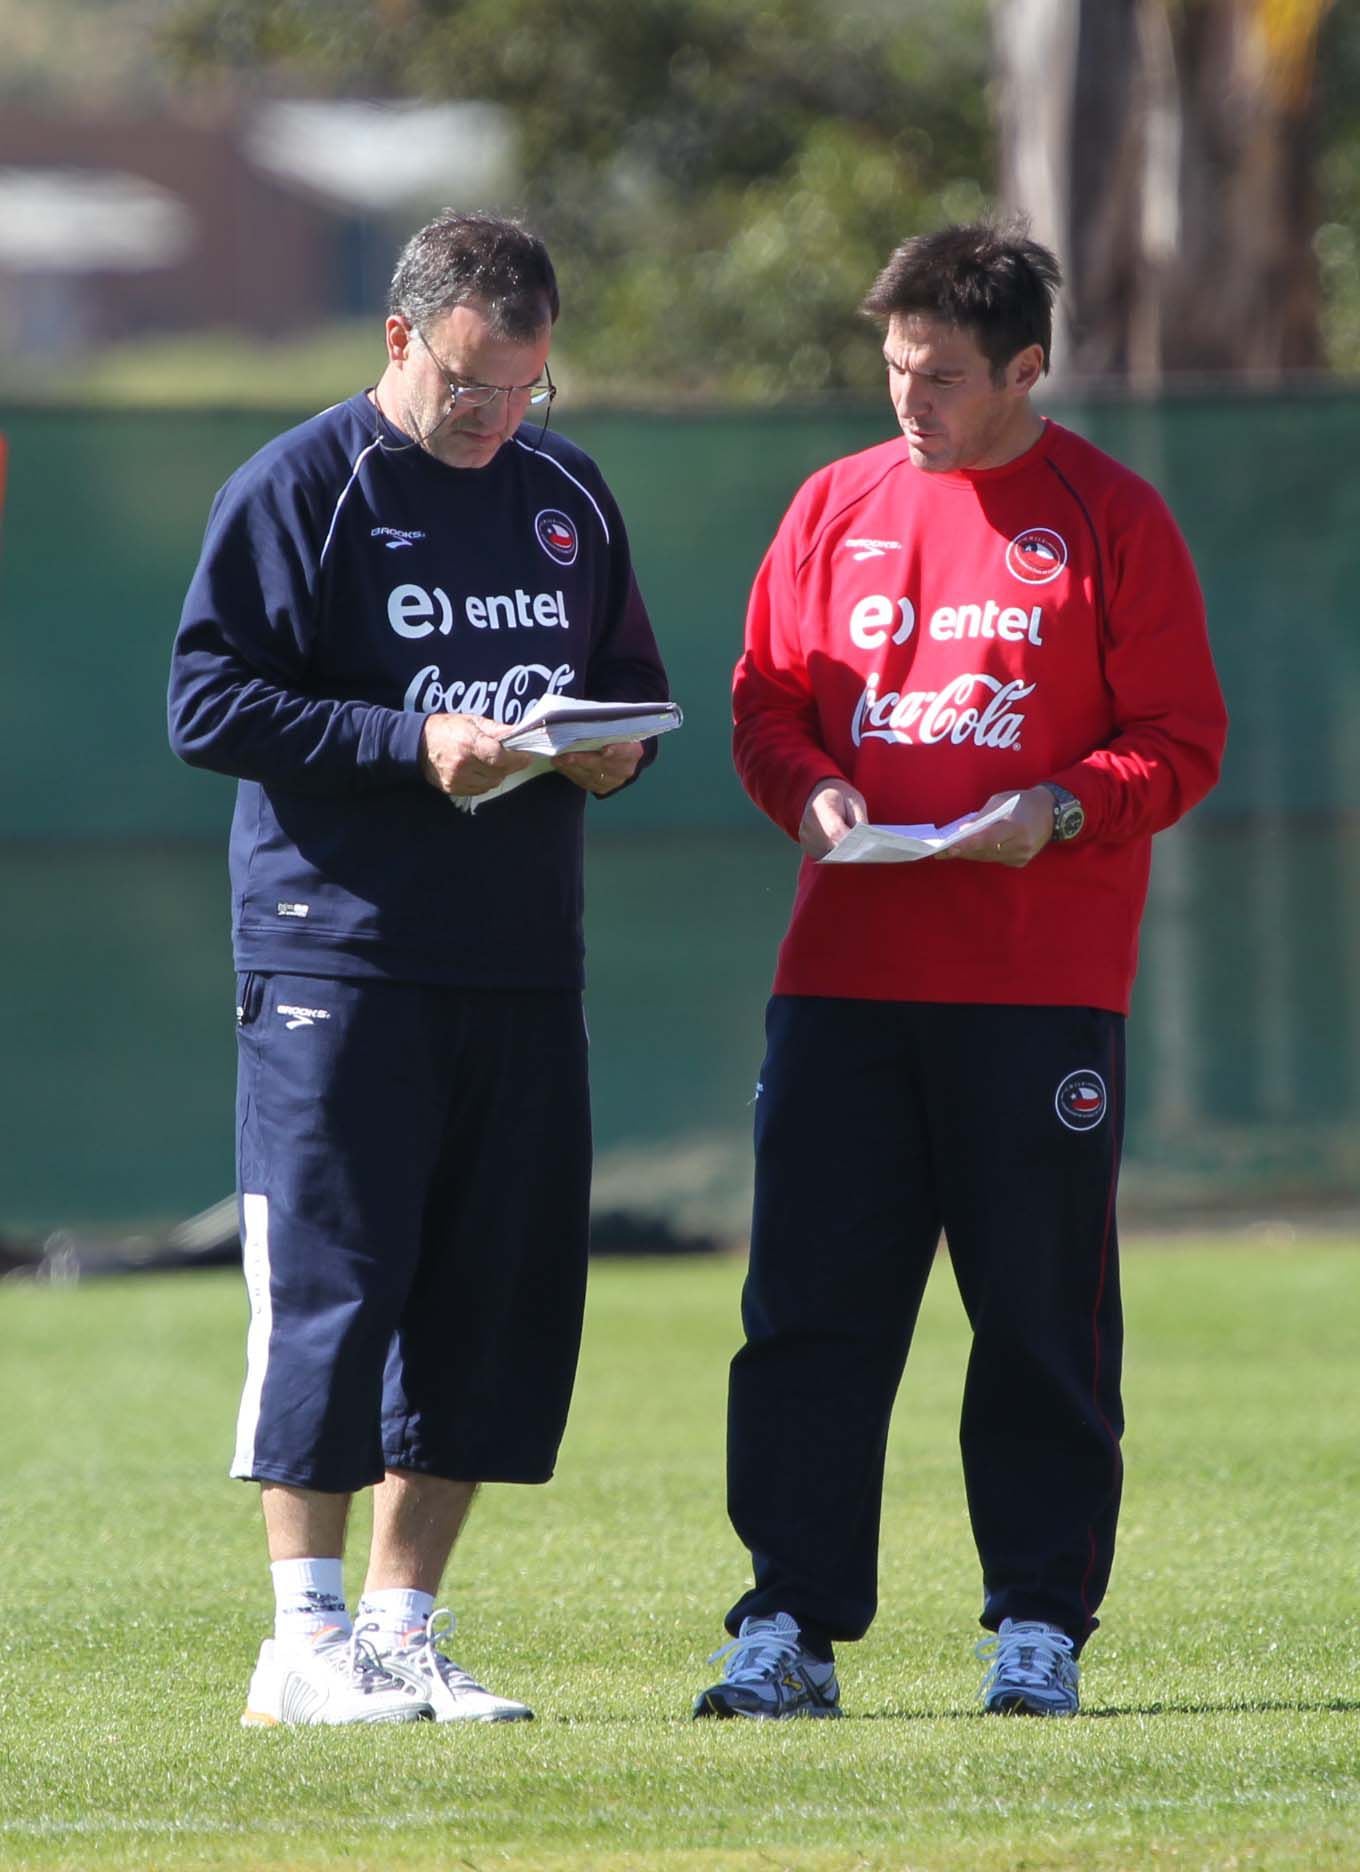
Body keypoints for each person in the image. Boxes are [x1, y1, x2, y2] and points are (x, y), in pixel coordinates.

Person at [693, 221, 1227, 1721]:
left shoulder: (1109, 518)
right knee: (808, 1317)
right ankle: (788, 1626)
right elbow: (764, 708)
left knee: (1042, 1317)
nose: (907, 400)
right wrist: (812, 797)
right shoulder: (832, 506)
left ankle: (1039, 1629)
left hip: (1037, 988)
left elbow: (1181, 739)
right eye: (892, 367)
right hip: (844, 985)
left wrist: (1056, 810)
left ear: (1026, 371)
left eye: (939, 376)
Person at [169, 211, 668, 1726]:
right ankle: (299, 1641)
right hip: (339, 956)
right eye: (469, 386)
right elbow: (208, 704)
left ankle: (400, 1630)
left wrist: (608, 758)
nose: (496, 418)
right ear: (400, 341)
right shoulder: (299, 488)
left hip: (519, 965)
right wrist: (411, 741)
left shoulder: (566, 492)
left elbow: (627, 688)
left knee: (487, 1301)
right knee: (332, 1288)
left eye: (526, 389)